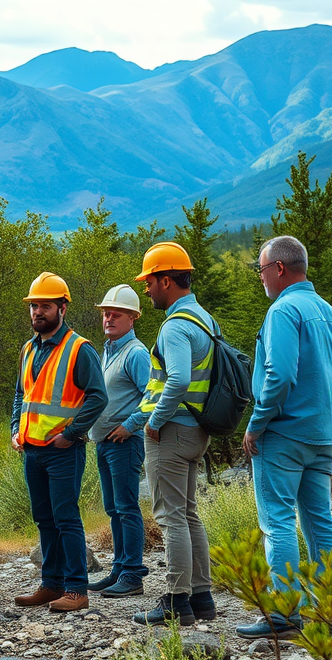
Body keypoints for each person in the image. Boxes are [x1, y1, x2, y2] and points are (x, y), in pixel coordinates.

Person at [236, 235, 332, 639]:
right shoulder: (331, 315)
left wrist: (257, 423)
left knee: (278, 523)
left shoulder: (283, 310)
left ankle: (284, 614)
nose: (261, 278)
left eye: (262, 270)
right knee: (321, 522)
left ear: (280, 269)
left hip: (282, 435)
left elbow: (279, 375)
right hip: (322, 437)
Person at [126, 242, 218, 627]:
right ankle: (202, 598)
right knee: (189, 514)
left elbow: (177, 378)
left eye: (149, 281)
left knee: (170, 517)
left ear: (167, 280)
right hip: (196, 430)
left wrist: (154, 421)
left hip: (172, 431)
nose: (146, 289)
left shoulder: (176, 325)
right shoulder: (204, 319)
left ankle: (176, 601)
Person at [12, 272, 108, 613]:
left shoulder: (80, 349)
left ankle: (77, 590)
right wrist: (15, 429)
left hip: (63, 452)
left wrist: (70, 434)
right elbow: (21, 395)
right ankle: (50, 585)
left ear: (62, 308)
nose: (38, 312)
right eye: (34, 306)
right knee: (44, 518)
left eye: (45, 306)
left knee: (66, 517)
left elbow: (98, 397)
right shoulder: (28, 348)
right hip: (32, 450)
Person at [87, 285, 151, 597]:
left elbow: (153, 396)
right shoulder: (109, 351)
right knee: (113, 508)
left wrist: (130, 425)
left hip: (125, 443)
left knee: (126, 507)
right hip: (104, 441)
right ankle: (119, 568)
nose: (109, 318)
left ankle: (133, 574)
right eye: (106, 314)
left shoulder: (136, 353)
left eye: (116, 314)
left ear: (132, 318)